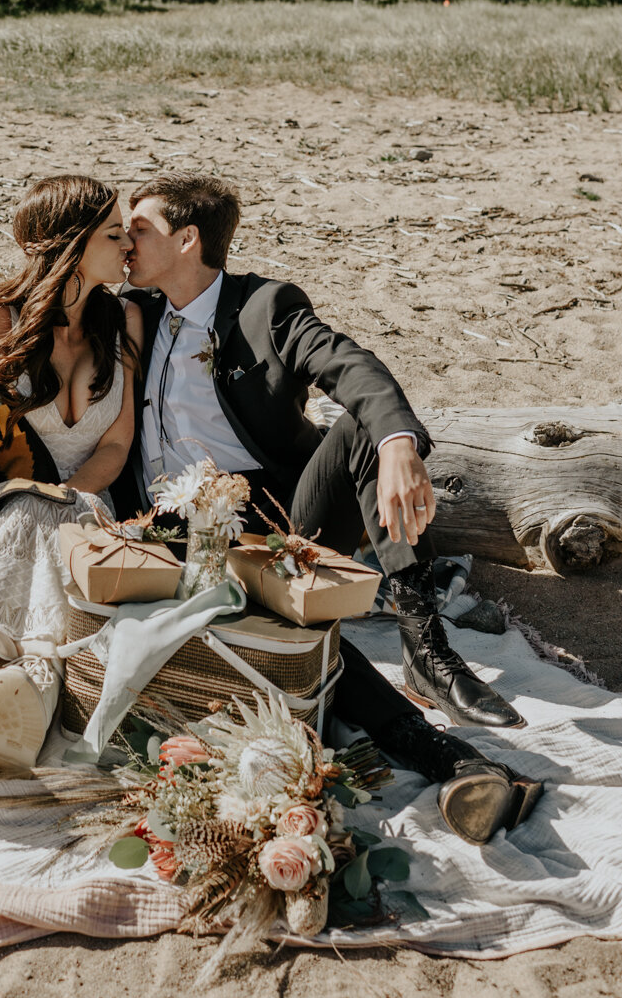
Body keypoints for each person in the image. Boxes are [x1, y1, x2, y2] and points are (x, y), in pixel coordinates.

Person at [116, 171, 542, 845]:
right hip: (174, 531)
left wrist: (400, 442)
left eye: (139, 228)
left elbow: (350, 365)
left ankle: (424, 644)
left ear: (188, 238)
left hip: (282, 511)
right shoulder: (129, 313)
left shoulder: (263, 307)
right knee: (275, 628)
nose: (124, 241)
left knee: (364, 432)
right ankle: (448, 759)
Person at [0, 174, 143, 787]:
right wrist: (36, 495)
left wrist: (71, 495)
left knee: (53, 518)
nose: (128, 247)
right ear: (70, 243)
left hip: (91, 494)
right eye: (115, 234)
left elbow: (115, 442)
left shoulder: (124, 323)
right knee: (27, 517)